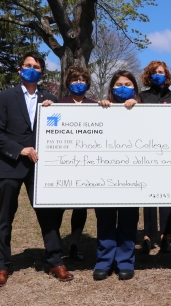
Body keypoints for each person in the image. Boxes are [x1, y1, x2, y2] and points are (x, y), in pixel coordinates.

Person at [0, 51, 73, 287]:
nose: (32, 69)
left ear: (42, 72)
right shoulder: (5, 97)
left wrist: (52, 110)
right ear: (19, 69)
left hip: (41, 168)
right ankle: (1, 267)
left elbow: (62, 130)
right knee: (5, 217)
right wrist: (20, 149)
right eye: (28, 65)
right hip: (11, 166)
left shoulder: (50, 99)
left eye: (36, 66)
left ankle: (56, 261)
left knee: (48, 216)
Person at [93, 71, 140, 281]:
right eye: (119, 84)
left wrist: (136, 108)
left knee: (129, 220)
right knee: (105, 219)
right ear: (111, 88)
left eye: (128, 84)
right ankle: (104, 261)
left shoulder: (144, 110)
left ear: (135, 88)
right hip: (105, 174)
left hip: (132, 175)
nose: (123, 87)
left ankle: (125, 261)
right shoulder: (103, 108)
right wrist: (103, 108)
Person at [54, 66, 96, 261]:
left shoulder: (95, 106)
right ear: (68, 83)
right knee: (58, 207)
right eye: (74, 80)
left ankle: (74, 244)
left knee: (81, 207)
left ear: (87, 83)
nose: (78, 83)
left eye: (82, 80)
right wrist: (47, 106)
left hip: (87, 165)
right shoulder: (58, 105)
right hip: (64, 164)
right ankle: (54, 246)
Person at [139, 60, 171, 254]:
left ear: (167, 75)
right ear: (149, 75)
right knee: (148, 197)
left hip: (170, 151)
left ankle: (166, 235)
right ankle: (148, 236)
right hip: (147, 150)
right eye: (155, 72)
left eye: (161, 72)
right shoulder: (142, 96)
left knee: (167, 196)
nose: (158, 75)